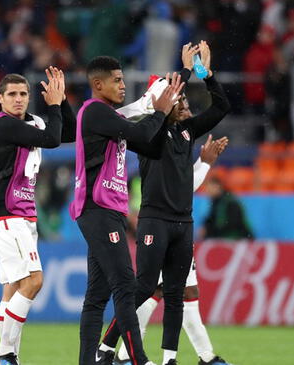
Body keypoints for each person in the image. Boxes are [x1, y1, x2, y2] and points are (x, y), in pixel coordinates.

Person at [99, 41, 232, 365]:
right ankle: (105, 348)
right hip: (154, 221)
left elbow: (221, 106)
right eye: (178, 97)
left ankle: (169, 359)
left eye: (183, 97)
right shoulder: (147, 134)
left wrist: (205, 72)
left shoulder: (186, 132)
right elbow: (150, 114)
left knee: (175, 295)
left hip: (182, 223)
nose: (183, 101)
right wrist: (183, 72)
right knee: (144, 287)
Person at [70, 55, 183, 365]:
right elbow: (140, 133)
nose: (123, 85)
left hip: (107, 211)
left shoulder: (108, 119)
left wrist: (161, 115)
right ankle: (140, 360)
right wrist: (157, 110)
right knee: (125, 284)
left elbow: (152, 146)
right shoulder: (94, 111)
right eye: (117, 80)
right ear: (98, 84)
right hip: (97, 209)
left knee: (97, 296)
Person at [0, 67, 74, 365]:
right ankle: (4, 353)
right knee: (34, 281)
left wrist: (62, 100)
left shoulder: (30, 123)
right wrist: (55, 107)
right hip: (7, 214)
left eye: (23, 94)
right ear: (0, 99)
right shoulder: (4, 126)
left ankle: (11, 357)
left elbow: (67, 133)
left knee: (12, 286)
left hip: (23, 216)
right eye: (12, 94)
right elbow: (51, 140)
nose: (18, 99)